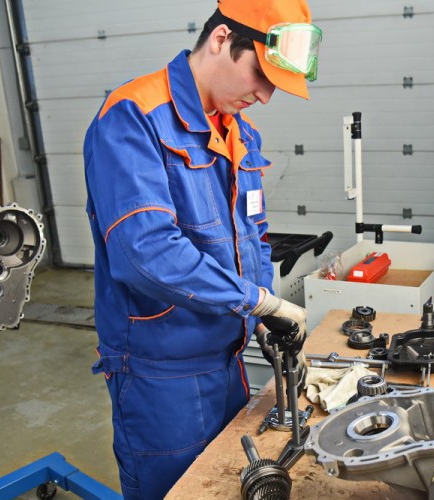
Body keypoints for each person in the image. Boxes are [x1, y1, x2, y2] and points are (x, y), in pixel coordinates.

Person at [82, 0, 321, 497]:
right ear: (220, 40)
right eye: (261, 74)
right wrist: (257, 301)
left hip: (228, 361)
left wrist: (263, 318)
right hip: (161, 376)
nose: (265, 95)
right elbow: (146, 252)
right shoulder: (134, 117)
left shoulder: (239, 132)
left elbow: (253, 235)